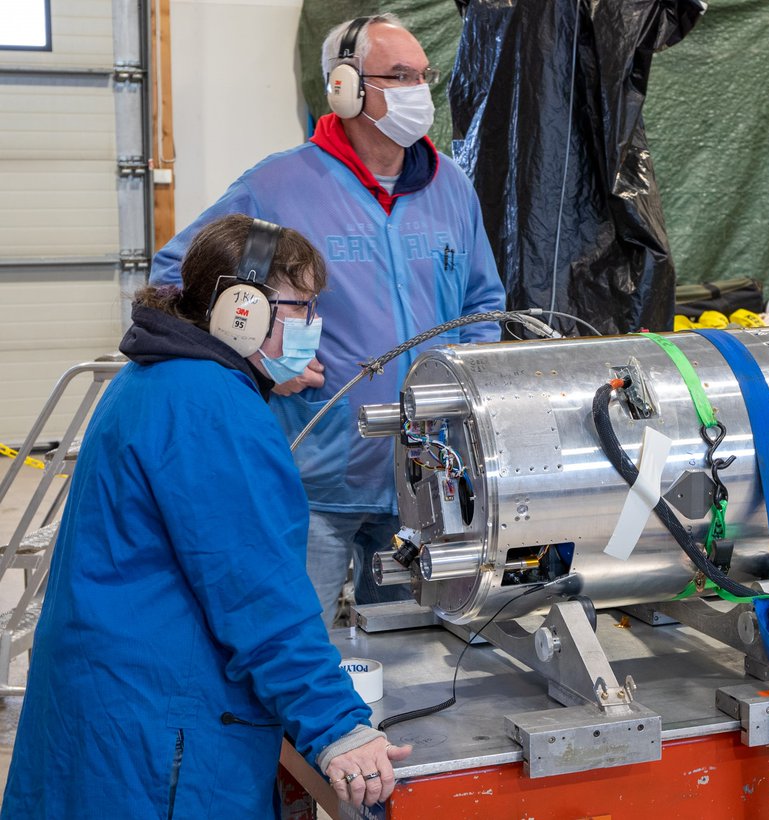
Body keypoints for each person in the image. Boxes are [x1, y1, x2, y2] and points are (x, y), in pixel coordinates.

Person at [1, 215, 409, 818]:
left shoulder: (157, 374)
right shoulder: (213, 408)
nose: (313, 325)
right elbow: (256, 594)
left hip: (108, 698)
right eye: (301, 306)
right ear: (243, 310)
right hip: (160, 723)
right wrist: (337, 726)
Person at [149, 14, 506, 626]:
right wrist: (255, 357)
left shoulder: (452, 187)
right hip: (312, 483)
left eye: (424, 75)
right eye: (399, 76)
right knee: (289, 646)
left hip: (426, 481)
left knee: (412, 657)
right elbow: (173, 276)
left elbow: (483, 305)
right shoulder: (278, 188)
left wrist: (463, 398)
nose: (419, 91)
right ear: (344, 87)